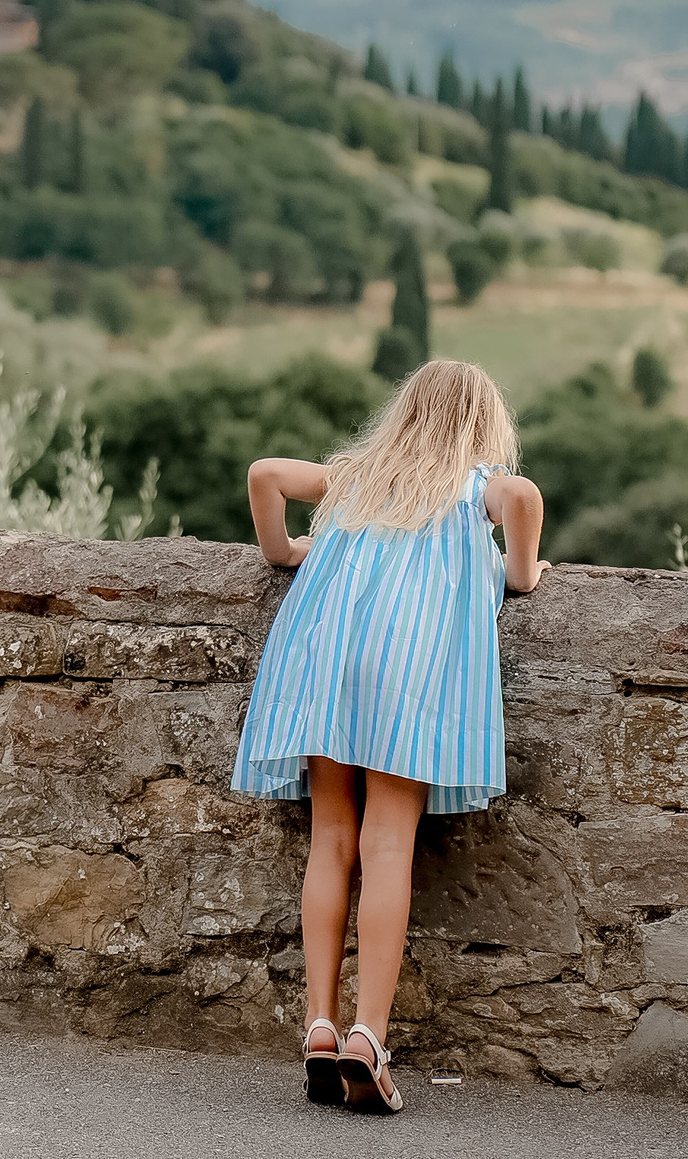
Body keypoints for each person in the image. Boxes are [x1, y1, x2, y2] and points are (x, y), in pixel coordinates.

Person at [230, 359, 546, 1114]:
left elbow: (265, 472)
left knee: (331, 835)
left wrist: (282, 552)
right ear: (482, 425)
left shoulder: (356, 479)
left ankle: (317, 1023)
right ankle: (368, 1035)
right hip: (408, 669)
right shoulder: (475, 487)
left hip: (324, 655)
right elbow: (525, 495)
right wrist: (522, 571)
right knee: (388, 843)